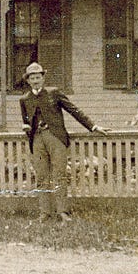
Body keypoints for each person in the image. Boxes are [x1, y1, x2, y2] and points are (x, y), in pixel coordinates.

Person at [19, 62, 106, 221]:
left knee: (60, 175)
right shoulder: (24, 99)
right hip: (37, 140)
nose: (36, 80)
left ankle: (62, 212)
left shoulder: (54, 93)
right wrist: (26, 128)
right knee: (41, 176)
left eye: (38, 77)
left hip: (55, 137)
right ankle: (44, 213)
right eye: (32, 78)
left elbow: (73, 110)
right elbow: (25, 120)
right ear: (28, 81)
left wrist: (92, 126)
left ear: (43, 78)